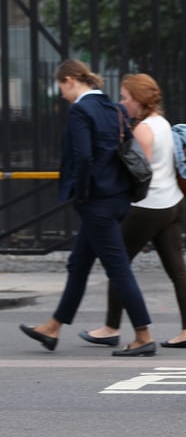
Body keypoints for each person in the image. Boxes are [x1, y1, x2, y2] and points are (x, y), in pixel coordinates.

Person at [19, 59, 155, 357]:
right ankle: (52, 328)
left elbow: (82, 157)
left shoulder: (80, 111)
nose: (62, 94)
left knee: (118, 268)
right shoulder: (113, 108)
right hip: (118, 198)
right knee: (78, 264)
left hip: (96, 203)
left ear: (69, 80)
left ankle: (143, 334)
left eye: (61, 87)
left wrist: (80, 195)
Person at [79, 73, 186, 349]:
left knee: (117, 264)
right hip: (172, 204)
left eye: (125, 97)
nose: (122, 103)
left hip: (147, 208)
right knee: (178, 270)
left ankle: (111, 327)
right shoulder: (163, 124)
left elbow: (138, 172)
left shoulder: (144, 129)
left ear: (138, 100)